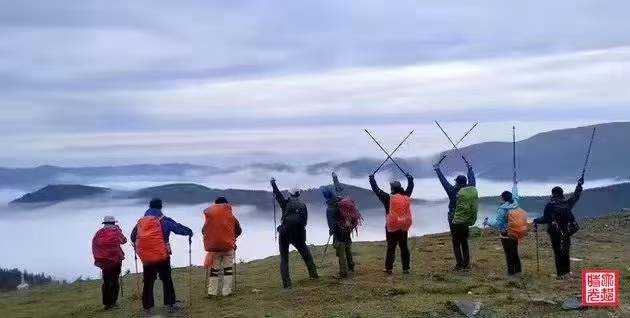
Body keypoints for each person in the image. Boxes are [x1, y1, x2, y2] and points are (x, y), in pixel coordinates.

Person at [130, 198, 193, 314]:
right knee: (166, 279)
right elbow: (178, 229)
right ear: (160, 207)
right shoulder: (164, 220)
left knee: (148, 281)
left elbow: (133, 236)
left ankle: (147, 307)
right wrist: (189, 231)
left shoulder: (141, 222)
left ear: (149, 207)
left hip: (147, 257)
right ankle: (171, 305)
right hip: (162, 255)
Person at [271, 178, 319, 288]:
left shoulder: (285, 203)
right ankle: (313, 275)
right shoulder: (303, 205)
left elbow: (278, 195)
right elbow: (305, 221)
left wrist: (273, 184)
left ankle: (287, 284)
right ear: (298, 194)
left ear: (290, 194)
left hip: (285, 231)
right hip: (299, 233)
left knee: (284, 258)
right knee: (306, 254)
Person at [533, 177, 584, 279]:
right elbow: (576, 196)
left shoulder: (550, 205)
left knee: (557, 252)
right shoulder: (567, 203)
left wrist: (536, 220)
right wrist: (579, 185)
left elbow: (546, 219)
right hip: (566, 231)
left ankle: (560, 274)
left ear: (553, 194)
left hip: (555, 232)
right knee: (565, 250)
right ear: (562, 193)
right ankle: (567, 272)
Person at [434, 160, 477, 271]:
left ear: (457, 182)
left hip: (454, 220)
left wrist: (438, 169)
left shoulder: (453, 191)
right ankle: (466, 264)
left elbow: (443, 181)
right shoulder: (471, 188)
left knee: (456, 242)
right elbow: (472, 179)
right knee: (464, 242)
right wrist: (470, 169)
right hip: (466, 218)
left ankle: (459, 265)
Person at [369, 172, 414, 274]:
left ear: (392, 188)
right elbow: (410, 187)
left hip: (392, 226)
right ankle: (406, 268)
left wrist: (372, 180)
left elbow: (376, 190)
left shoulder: (388, 198)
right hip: (403, 225)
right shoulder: (406, 196)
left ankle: (389, 268)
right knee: (404, 247)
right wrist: (410, 178)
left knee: (391, 247)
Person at [202, 197, 242, 297]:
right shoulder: (231, 217)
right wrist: (231, 237)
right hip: (228, 247)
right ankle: (226, 292)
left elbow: (204, 231)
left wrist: (212, 239)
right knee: (228, 269)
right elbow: (239, 230)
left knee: (214, 270)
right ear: (226, 204)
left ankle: (212, 292)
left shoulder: (210, 217)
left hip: (214, 248)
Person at [483, 181, 522, 275]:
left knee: (508, 252)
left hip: (506, 233)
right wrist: (515, 185)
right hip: (515, 231)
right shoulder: (515, 203)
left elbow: (498, 224)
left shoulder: (502, 209)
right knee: (514, 250)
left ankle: (511, 271)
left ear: (503, 198)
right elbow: (516, 195)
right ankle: (518, 270)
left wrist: (487, 222)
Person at [323, 172, 355, 279]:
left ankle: (343, 272)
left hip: (338, 231)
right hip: (347, 228)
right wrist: (335, 177)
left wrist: (331, 233)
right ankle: (351, 266)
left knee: (341, 252)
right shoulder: (340, 199)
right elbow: (338, 188)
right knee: (347, 248)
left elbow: (331, 224)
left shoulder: (330, 208)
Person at [92, 216, 127, 310]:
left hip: (103, 261)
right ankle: (113, 302)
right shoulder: (116, 232)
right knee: (115, 280)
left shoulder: (98, 233)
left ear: (104, 223)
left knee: (106, 282)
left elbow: (95, 245)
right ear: (113, 223)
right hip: (115, 260)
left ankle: (106, 304)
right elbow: (124, 241)